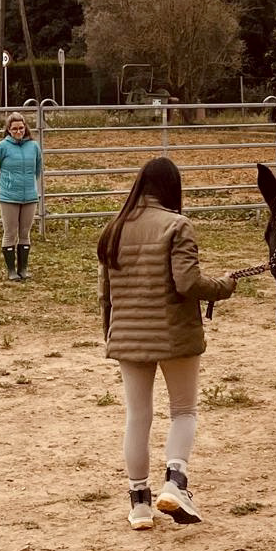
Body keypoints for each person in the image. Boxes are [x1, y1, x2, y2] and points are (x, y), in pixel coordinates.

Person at [97, 157, 237, 531]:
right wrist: (224, 286)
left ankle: (139, 503)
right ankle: (175, 482)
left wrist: (112, 333)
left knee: (137, 417)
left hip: (127, 336)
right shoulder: (178, 226)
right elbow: (188, 283)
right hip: (175, 335)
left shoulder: (114, 228)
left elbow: (105, 295)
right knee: (183, 411)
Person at [0, 111, 42, 282]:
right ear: (8, 130)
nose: (18, 131)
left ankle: (23, 269)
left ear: (25, 127)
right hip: (9, 197)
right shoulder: (1, 147)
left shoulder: (34, 146)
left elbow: (37, 169)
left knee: (25, 232)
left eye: (21, 127)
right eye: (14, 129)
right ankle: (11, 270)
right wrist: (4, 187)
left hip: (29, 197)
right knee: (10, 232)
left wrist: (30, 186)